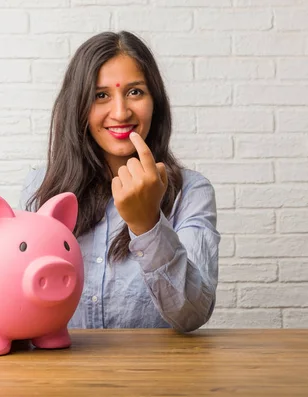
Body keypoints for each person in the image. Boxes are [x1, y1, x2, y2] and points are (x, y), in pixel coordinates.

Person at [19, 31, 220, 333]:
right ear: (79, 107)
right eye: (101, 96)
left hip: (155, 376)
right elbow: (17, 298)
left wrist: (148, 224)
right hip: (59, 375)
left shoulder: (191, 192)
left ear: (156, 101)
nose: (120, 112)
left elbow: (192, 314)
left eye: (135, 92)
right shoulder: (41, 187)